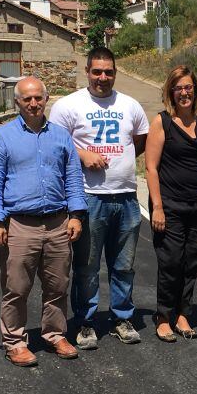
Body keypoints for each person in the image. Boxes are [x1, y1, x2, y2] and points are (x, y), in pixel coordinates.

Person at [0, 77, 87, 366]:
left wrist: (76, 214)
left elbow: (73, 177)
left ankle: (54, 334)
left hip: (58, 223)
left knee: (57, 286)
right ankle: (14, 341)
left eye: (38, 98)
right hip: (19, 225)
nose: (33, 103)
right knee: (16, 288)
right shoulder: (2, 137)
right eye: (27, 99)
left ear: (46, 99)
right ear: (17, 102)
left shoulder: (61, 136)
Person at [49, 47, 149, 348]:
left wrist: (120, 164)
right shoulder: (69, 105)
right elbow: (55, 146)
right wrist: (81, 154)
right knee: (87, 267)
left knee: (123, 265)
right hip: (88, 198)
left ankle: (121, 317)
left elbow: (140, 141)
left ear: (115, 72)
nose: (102, 77)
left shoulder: (131, 105)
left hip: (127, 197)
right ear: (87, 72)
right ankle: (85, 323)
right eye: (97, 72)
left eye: (108, 72)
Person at [145, 65, 197, 342]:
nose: (184, 93)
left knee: (192, 262)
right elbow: (151, 168)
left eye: (188, 87)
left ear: (195, 90)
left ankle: (183, 313)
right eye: (178, 88)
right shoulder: (161, 122)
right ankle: (164, 316)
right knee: (171, 261)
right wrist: (158, 207)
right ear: (171, 92)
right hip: (171, 206)